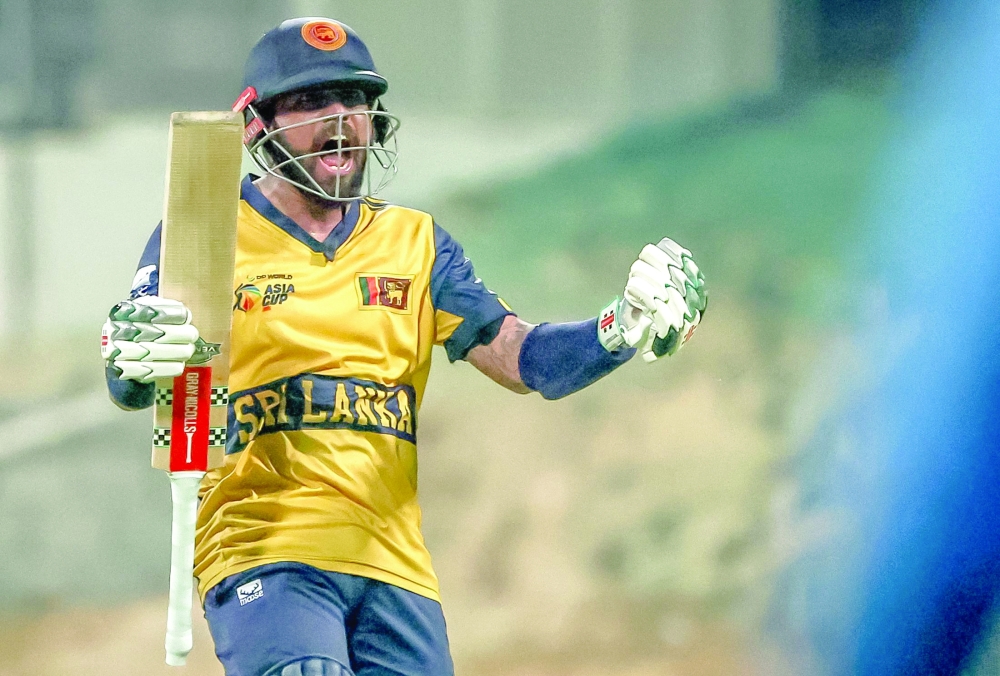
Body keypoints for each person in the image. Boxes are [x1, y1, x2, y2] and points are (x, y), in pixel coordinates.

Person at [101, 17, 707, 676]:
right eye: (311, 101)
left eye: (353, 99)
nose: (340, 118)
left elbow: (524, 359)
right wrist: (132, 355)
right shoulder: (205, 229)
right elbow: (136, 371)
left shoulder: (417, 244)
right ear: (257, 126)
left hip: (394, 567)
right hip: (264, 549)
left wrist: (619, 327)